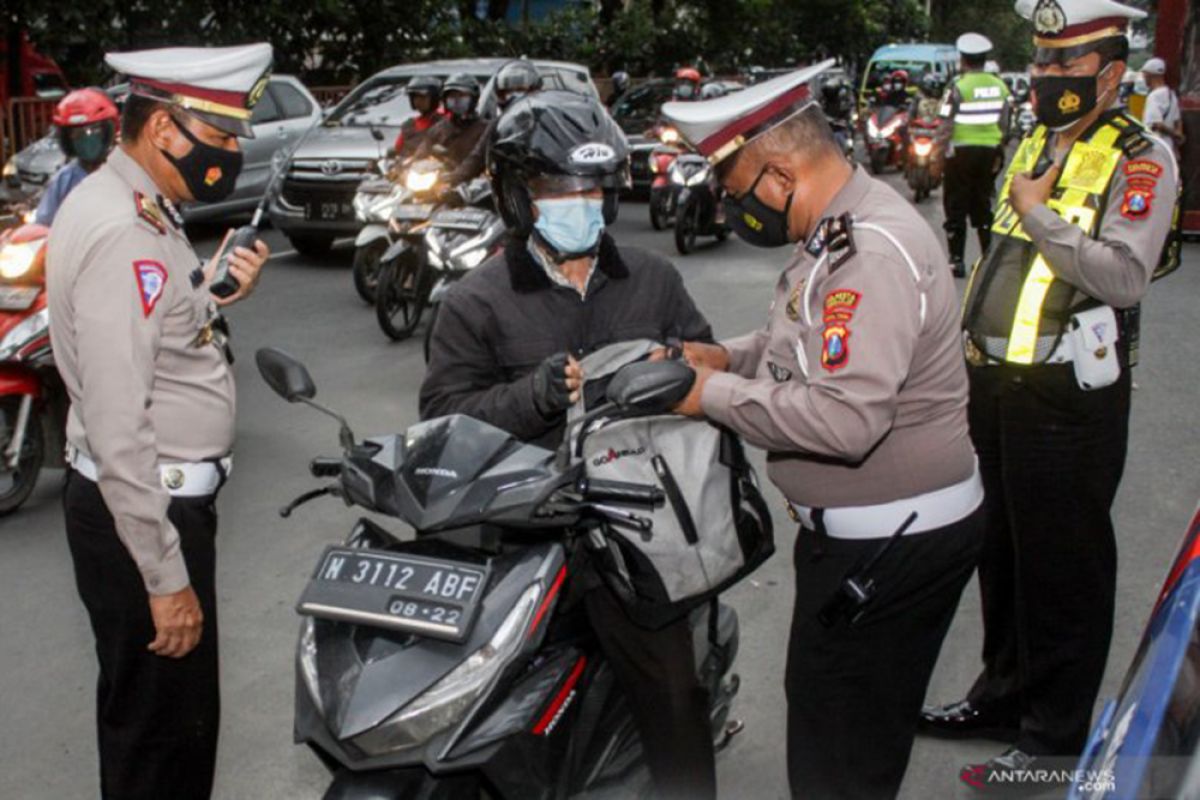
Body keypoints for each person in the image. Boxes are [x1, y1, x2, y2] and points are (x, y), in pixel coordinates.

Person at [661, 62, 984, 800]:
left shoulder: (867, 252)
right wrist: (726, 356)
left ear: (779, 174)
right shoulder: (843, 226)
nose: (739, 211)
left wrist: (709, 394)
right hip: (875, 539)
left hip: (885, 548)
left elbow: (844, 420)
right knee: (849, 732)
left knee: (837, 760)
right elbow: (802, 343)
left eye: (740, 193)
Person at [419, 91, 716, 799]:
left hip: (636, 533)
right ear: (518, 196)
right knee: (478, 709)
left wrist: (682, 362)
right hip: (523, 537)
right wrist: (536, 395)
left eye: (590, 189)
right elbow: (441, 418)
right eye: (557, 190)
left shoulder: (653, 278)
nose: (577, 203)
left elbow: (709, 356)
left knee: (675, 699)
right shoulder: (475, 300)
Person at [920, 0, 1180, 775]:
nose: (1045, 76)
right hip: (993, 384)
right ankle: (1000, 695)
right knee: (999, 551)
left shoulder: (1143, 157)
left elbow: (1127, 276)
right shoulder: (1033, 139)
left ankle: (1054, 736)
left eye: (1064, 64)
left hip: (1068, 397)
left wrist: (1041, 217)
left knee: (1063, 566)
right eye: (1039, 60)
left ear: (1110, 73)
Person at [45, 44, 272, 800]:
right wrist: (164, 574)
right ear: (169, 128)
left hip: (142, 506)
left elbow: (155, 329)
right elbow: (118, 425)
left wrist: (209, 294)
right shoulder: (127, 232)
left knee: (155, 725)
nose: (235, 153)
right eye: (225, 135)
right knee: (164, 744)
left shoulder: (125, 199)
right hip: (145, 512)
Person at [938, 33, 1011, 278]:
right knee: (982, 203)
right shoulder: (999, 86)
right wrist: (998, 146)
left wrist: (938, 153)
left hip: (959, 154)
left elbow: (945, 123)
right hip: (988, 153)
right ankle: (987, 256)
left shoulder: (957, 86)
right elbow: (1005, 123)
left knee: (956, 204)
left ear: (963, 60)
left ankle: (956, 260)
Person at [439, 59, 544, 191]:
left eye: (521, 90)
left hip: (548, 186)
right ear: (500, 95)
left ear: (535, 90)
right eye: (508, 92)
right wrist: (452, 179)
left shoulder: (548, 119)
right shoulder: (499, 125)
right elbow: (476, 158)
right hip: (511, 190)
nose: (515, 95)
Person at [34, 88, 119, 226]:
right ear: (68, 139)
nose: (86, 138)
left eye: (93, 130)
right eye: (77, 134)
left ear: (108, 131)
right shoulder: (64, 180)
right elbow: (43, 225)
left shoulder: (127, 173)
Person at [411, 72, 488, 195]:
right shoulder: (438, 129)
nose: (456, 100)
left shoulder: (485, 129)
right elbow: (421, 154)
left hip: (475, 189)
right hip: (438, 186)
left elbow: (476, 159)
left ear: (474, 98)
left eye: (462, 95)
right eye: (452, 96)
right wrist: (404, 168)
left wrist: (457, 176)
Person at [393, 74, 444, 160]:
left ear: (435, 98)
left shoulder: (446, 123)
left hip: (436, 170)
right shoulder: (408, 125)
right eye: (415, 97)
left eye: (423, 97)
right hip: (408, 170)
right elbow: (397, 149)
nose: (418, 101)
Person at [1140, 56, 1184, 156]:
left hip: (1156, 147)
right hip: (1169, 147)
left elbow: (1156, 124)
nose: (1143, 78)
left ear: (1150, 75)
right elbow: (1178, 121)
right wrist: (1178, 135)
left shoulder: (1154, 96)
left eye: (1144, 75)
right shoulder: (1171, 94)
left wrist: (1175, 134)